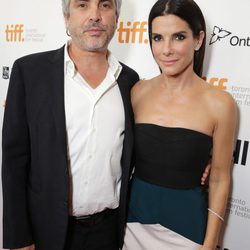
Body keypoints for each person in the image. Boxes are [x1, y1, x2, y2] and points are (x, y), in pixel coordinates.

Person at [2, 0, 140, 249]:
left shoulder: (130, 81)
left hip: (108, 234)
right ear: (66, 17)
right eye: (83, 5)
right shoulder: (29, 72)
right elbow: (14, 161)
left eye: (105, 5)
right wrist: (19, 238)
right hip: (45, 231)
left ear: (117, 18)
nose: (95, 16)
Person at [123, 0, 237, 249]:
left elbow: (219, 178)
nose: (166, 50)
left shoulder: (221, 104)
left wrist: (211, 243)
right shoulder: (137, 92)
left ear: (198, 40)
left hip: (187, 229)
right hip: (131, 225)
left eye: (178, 37)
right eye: (157, 37)